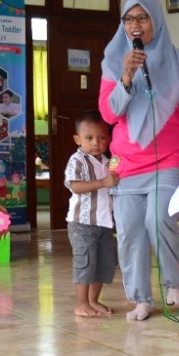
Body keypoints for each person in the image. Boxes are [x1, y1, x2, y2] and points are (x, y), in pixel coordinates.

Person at [98, 0, 179, 322]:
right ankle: (140, 299)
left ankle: (173, 284)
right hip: (129, 162)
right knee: (131, 229)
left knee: (159, 218)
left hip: (171, 157)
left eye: (142, 18)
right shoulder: (112, 62)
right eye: (128, 19)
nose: (135, 25)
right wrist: (126, 78)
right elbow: (108, 112)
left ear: (155, 21)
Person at [63, 110, 118, 318]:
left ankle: (94, 300)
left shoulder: (107, 162)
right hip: (82, 223)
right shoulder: (77, 160)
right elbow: (75, 186)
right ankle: (81, 303)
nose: (96, 142)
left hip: (104, 223)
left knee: (103, 263)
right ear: (78, 139)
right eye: (89, 138)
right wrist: (103, 183)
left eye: (102, 137)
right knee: (85, 261)